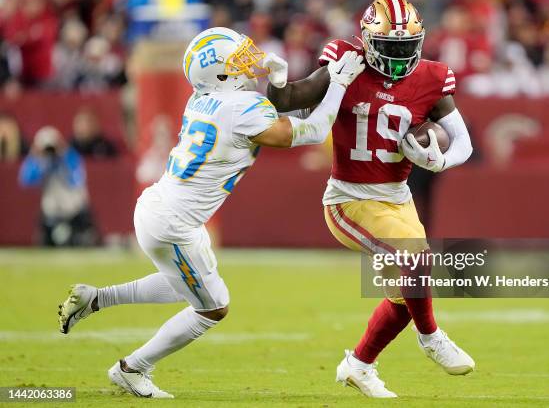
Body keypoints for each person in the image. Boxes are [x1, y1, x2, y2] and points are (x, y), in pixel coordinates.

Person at [57, 26, 364, 398]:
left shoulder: (201, 99)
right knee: (212, 309)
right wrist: (340, 85)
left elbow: (276, 116)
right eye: (237, 61)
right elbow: (314, 131)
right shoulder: (240, 108)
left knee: (182, 288)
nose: (248, 63)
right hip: (175, 222)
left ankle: (96, 299)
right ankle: (133, 368)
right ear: (220, 73)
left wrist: (279, 80)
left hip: (160, 207)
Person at [266, 0, 474, 398]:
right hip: (349, 199)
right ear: (366, 40)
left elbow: (463, 141)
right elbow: (289, 101)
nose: (398, 57)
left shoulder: (432, 77)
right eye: (389, 47)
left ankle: (359, 365)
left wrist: (439, 162)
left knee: (406, 291)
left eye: (405, 47)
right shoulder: (346, 62)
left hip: (398, 197)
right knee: (418, 258)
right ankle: (431, 338)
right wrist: (275, 80)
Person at [18, 125, 97, 246]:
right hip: (51, 213)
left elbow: (76, 181)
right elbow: (25, 180)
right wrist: (39, 160)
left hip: (74, 212)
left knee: (83, 241)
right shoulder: (39, 162)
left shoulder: (70, 157)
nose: (50, 152)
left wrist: (61, 160)